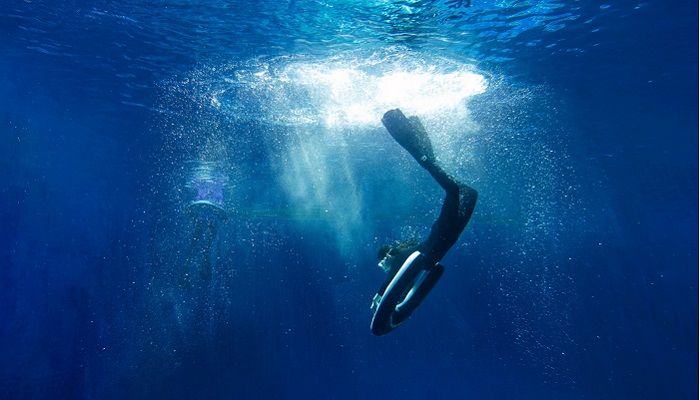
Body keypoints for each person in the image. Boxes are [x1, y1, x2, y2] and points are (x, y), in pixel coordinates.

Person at [370, 109, 477, 336]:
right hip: (448, 234)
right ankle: (418, 141)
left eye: (385, 263)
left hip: (442, 234)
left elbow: (398, 269)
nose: (386, 267)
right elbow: (412, 279)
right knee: (468, 192)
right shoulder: (410, 265)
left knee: (454, 190)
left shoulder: (402, 259)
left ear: (388, 257)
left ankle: (415, 146)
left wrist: (381, 292)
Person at [179, 200, 228, 289]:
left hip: (205, 216)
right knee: (204, 249)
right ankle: (187, 273)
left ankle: (186, 273)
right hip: (211, 217)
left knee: (196, 247)